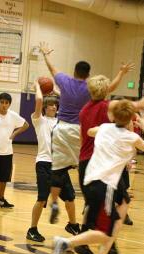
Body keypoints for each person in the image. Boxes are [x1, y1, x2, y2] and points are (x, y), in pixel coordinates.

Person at [52, 99, 144, 254]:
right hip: (104, 186)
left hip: (90, 181)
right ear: (130, 120)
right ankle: (66, 243)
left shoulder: (104, 128)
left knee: (122, 205)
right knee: (105, 234)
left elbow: (90, 131)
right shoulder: (132, 137)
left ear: (112, 116)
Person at [78, 71, 134, 254]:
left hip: (85, 161)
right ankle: (108, 243)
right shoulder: (108, 107)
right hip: (103, 163)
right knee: (122, 201)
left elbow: (81, 136)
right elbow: (127, 113)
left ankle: (86, 240)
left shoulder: (84, 109)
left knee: (93, 204)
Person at [39, 42, 91, 224]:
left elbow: (52, 69)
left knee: (58, 169)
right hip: (79, 131)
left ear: (74, 71)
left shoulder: (65, 81)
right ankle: (89, 201)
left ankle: (54, 202)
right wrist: (121, 73)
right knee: (84, 167)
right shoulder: (90, 88)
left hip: (61, 129)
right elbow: (110, 88)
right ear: (87, 75)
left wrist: (46, 54)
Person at [26, 82, 80, 242]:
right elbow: (38, 101)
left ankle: (72, 224)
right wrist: (38, 86)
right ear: (45, 108)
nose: (54, 107)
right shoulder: (39, 120)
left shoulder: (61, 122)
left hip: (60, 165)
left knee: (70, 198)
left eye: (55, 105)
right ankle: (32, 229)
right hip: (44, 163)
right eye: (50, 105)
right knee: (42, 198)